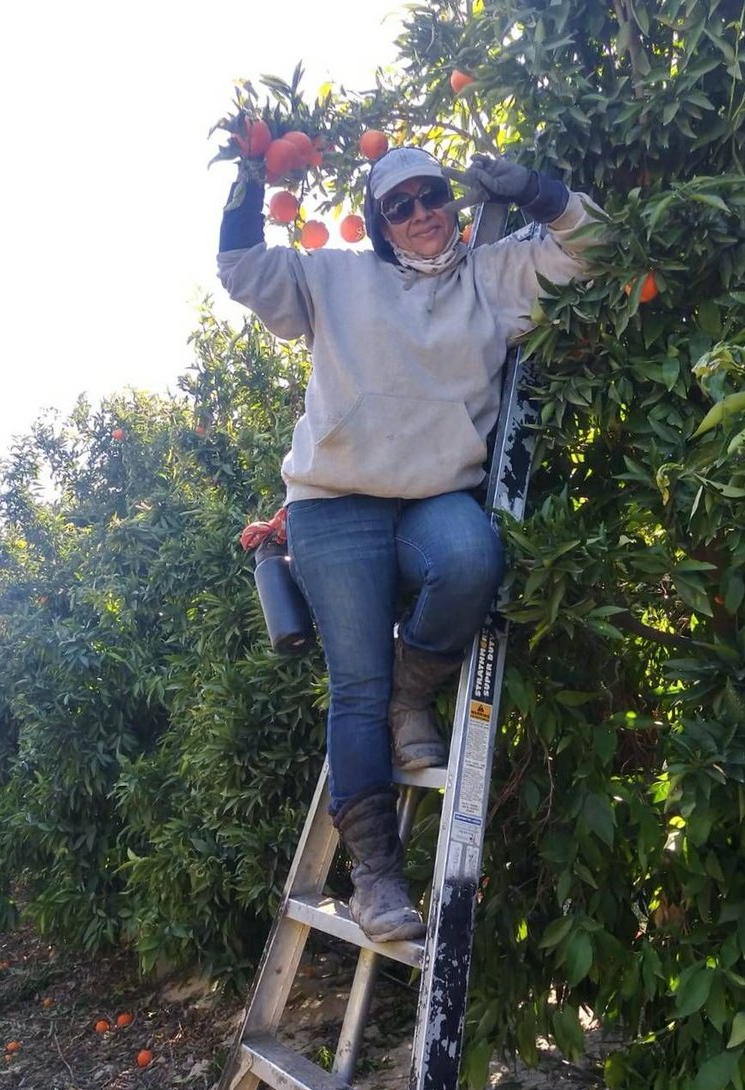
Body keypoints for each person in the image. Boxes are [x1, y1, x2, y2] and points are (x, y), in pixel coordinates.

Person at [218, 143, 604, 943]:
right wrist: (251, 179)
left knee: (472, 561)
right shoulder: (338, 278)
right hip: (335, 502)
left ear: (453, 205)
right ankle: (377, 878)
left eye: (433, 195)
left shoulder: (491, 277)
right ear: (382, 223)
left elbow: (594, 249)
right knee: (352, 688)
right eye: (400, 204)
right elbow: (245, 270)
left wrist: (537, 187)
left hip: (433, 496)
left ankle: (410, 686)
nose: (422, 212)